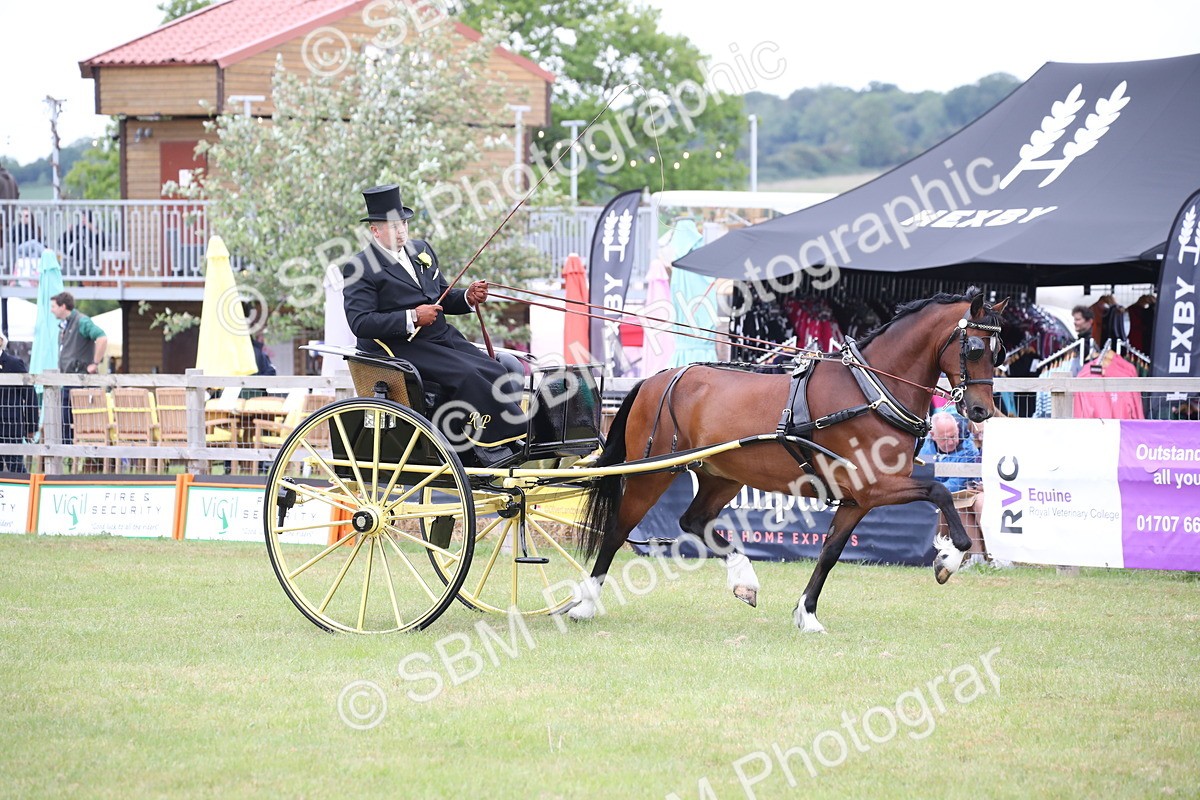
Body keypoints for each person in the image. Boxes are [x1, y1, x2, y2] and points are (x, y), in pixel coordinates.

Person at [341, 184, 525, 465]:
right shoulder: (360, 267)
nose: (401, 231)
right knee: (467, 375)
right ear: (375, 231)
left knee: (494, 368)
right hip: (402, 347)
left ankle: (500, 439)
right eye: (393, 226)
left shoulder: (421, 250)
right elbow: (360, 322)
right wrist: (412, 317)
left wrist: (467, 296)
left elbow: (441, 296)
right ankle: (486, 448)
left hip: (441, 337)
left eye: (403, 223)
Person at [920, 411, 989, 564]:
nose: (951, 442)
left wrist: (929, 490)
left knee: (958, 502)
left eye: (954, 436)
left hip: (947, 498)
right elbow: (921, 476)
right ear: (932, 435)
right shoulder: (924, 448)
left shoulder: (968, 449)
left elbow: (955, 484)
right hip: (930, 501)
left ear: (958, 428)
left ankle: (978, 557)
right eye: (945, 439)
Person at [51, 292, 107, 444]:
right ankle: (67, 452)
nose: (51, 310)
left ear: (63, 306)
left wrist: (95, 363)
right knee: (65, 421)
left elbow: (102, 338)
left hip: (80, 381)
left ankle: (82, 451)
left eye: (53, 306)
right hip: (68, 380)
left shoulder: (82, 321)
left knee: (83, 422)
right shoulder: (65, 324)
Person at [0, 333, 39, 473]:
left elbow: (30, 396)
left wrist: (31, 427)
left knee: (16, 468)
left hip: (10, 428)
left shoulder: (14, 363)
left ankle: (26, 487)